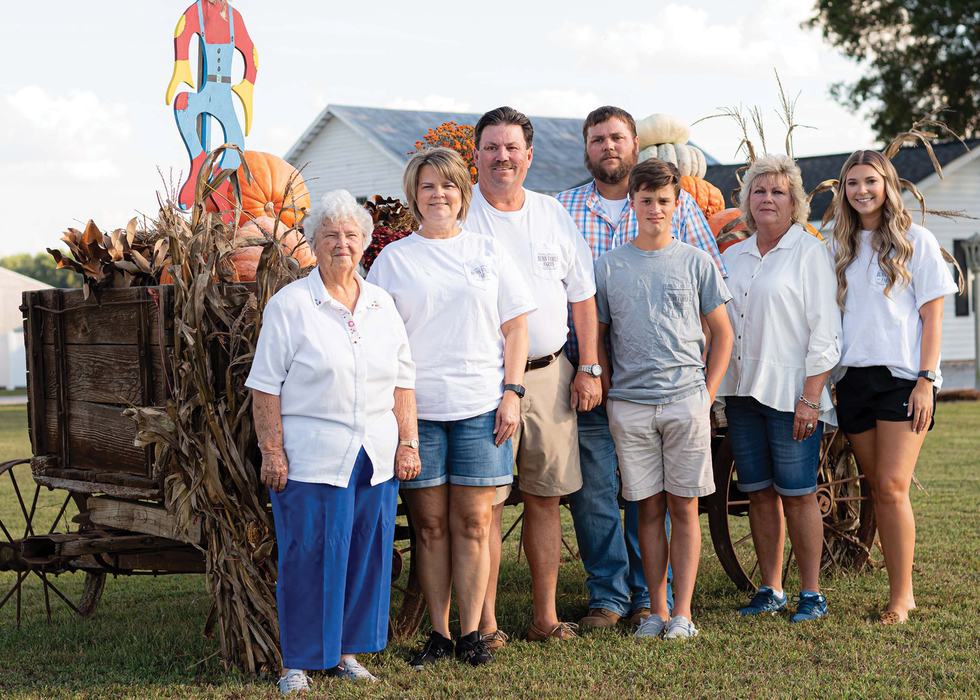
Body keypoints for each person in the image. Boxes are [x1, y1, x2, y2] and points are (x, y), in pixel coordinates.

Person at [556, 105, 728, 630]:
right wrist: (593, 369)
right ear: (586, 147)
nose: (608, 146)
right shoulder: (562, 210)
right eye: (597, 139)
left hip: (674, 386)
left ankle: (659, 602)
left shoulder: (684, 216)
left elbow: (710, 301)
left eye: (617, 138)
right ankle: (609, 596)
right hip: (592, 372)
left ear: (636, 146)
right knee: (600, 492)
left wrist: (704, 390)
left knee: (660, 499)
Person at [246, 190, 419, 695]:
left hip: (376, 454)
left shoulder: (381, 303)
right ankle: (297, 662)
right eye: (330, 236)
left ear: (365, 243)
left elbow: (403, 380)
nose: (341, 244)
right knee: (308, 555)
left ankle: (347, 653)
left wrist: (408, 441)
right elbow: (265, 385)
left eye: (350, 235)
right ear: (313, 244)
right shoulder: (292, 305)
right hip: (313, 456)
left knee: (367, 553)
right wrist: (272, 452)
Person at [368, 148, 534, 666]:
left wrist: (513, 393)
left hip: (481, 406)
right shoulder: (396, 260)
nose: (438, 194)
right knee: (430, 527)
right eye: (427, 186)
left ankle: (472, 634)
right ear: (414, 195)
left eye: (447, 186)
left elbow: (516, 328)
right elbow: (379, 336)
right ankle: (438, 635)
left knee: (475, 524)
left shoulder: (487, 252)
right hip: (417, 412)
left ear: (463, 193)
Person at [466, 106, 601, 644]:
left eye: (512, 148)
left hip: (549, 374)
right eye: (492, 147)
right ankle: (488, 621)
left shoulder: (551, 214)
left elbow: (583, 297)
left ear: (529, 156)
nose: (502, 157)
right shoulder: (460, 215)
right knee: (490, 502)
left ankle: (545, 617)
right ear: (475, 155)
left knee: (547, 499)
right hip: (483, 380)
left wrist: (588, 367)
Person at [598, 159, 733, 640]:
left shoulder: (695, 261)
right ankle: (654, 610)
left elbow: (722, 333)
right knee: (646, 509)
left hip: (685, 401)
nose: (655, 208)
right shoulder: (610, 265)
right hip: (631, 406)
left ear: (678, 205)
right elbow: (599, 336)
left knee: (684, 507)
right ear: (632, 202)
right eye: (646, 200)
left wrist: (707, 394)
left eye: (664, 201)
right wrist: (611, 390)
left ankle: (683, 612)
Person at [831, 150, 959, 624]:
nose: (861, 191)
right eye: (852, 184)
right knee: (876, 488)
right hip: (855, 382)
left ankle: (901, 596)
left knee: (891, 486)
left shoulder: (915, 241)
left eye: (870, 181)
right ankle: (892, 584)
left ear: (887, 185)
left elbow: (932, 317)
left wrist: (926, 380)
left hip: (904, 380)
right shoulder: (839, 246)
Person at [717, 154, 841, 623]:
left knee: (798, 492)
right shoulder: (733, 257)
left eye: (778, 192)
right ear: (747, 201)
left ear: (794, 202)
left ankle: (811, 592)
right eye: (759, 190)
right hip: (743, 391)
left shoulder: (809, 253)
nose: (767, 198)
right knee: (759, 491)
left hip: (792, 393)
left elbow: (825, 331)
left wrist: (811, 396)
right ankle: (771, 588)